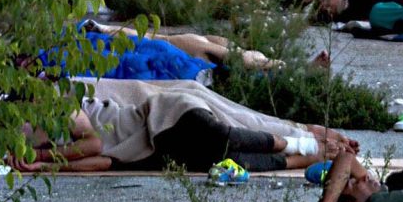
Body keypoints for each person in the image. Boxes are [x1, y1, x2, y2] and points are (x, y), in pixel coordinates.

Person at [23, 79, 355, 174]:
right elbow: (103, 161)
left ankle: (303, 143)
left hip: (162, 117)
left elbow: (93, 144)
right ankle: (308, 156)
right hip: (149, 150)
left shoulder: (53, 98)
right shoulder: (50, 141)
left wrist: (42, 156)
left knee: (224, 136)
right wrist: (41, 167)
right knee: (234, 163)